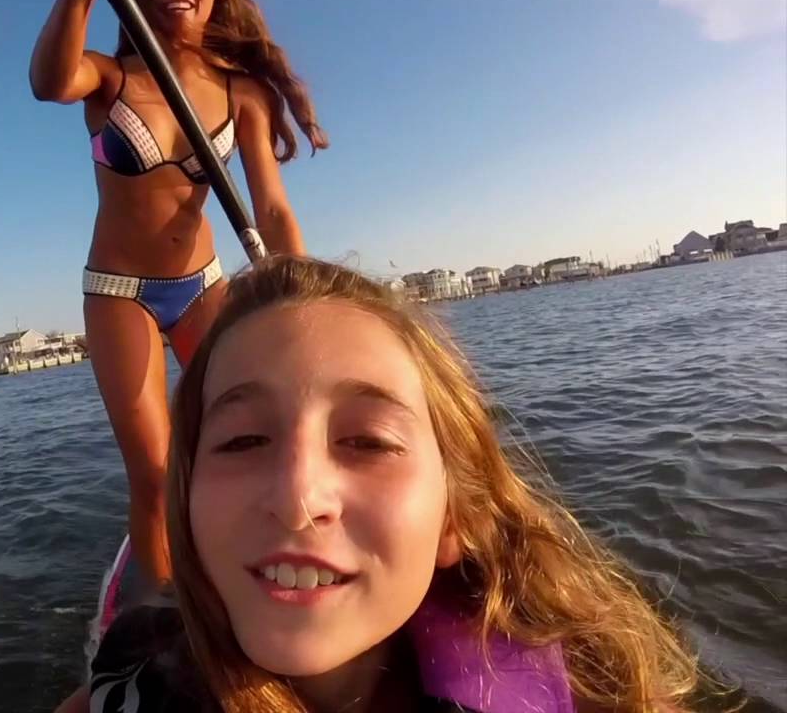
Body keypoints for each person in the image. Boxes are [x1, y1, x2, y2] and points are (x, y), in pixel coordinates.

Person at [55, 256, 706, 712]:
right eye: (243, 440)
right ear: (187, 503)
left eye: (368, 442)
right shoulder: (128, 689)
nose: (297, 499)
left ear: (456, 514)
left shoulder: (605, 699)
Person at [30, 0, 328, 592]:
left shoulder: (242, 92)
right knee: (154, 471)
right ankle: (167, 610)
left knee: (255, 436)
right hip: (121, 293)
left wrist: (303, 303)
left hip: (203, 287)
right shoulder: (106, 78)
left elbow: (272, 210)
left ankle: (264, 562)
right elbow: (50, 83)